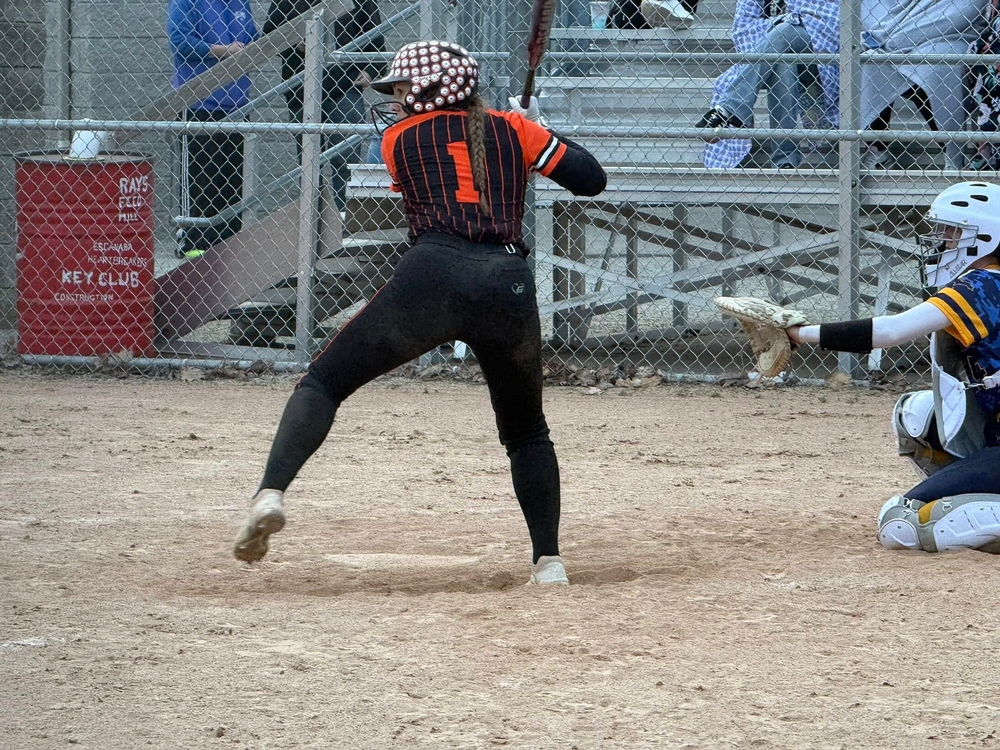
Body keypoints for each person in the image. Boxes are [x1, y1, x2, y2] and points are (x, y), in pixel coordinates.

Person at [232, 41, 608, 585]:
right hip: (505, 282)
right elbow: (591, 179)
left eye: (403, 88)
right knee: (527, 430)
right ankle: (549, 563)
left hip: (430, 275)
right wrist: (539, 132)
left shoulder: (397, 140)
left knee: (324, 381)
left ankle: (270, 492)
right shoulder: (513, 129)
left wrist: (522, 132)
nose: (396, 99)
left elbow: (453, 162)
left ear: (432, 89)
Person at [780, 181, 1000, 552]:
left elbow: (889, 331)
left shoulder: (982, 286)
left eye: (951, 232)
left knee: (902, 523)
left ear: (985, 237)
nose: (941, 241)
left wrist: (799, 334)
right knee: (916, 413)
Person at [263, 0, 386, 211]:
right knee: (309, 167)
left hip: (345, 87)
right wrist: (295, 43)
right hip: (302, 90)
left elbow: (376, 40)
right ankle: (311, 222)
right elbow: (268, 38)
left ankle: (345, 221)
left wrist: (371, 72)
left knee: (346, 163)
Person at [697, 0, 839, 169]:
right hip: (773, 57)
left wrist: (782, 24)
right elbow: (742, 31)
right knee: (782, 63)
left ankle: (730, 108)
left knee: (786, 30)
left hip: (821, 53)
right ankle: (785, 161)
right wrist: (787, 20)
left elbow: (829, 17)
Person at [167, 0, 258, 259]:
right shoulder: (187, 2)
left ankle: (228, 246)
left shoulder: (240, 2)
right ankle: (194, 244)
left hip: (237, 104)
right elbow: (180, 42)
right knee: (202, 179)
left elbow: (252, 37)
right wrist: (224, 51)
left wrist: (251, 51)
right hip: (199, 103)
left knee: (234, 181)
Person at [859, 0, 988, 170]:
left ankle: (952, 154)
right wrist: (887, 36)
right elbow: (871, 10)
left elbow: (961, 13)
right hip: (891, 35)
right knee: (871, 60)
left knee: (936, 67)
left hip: (952, 35)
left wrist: (894, 40)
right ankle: (877, 149)